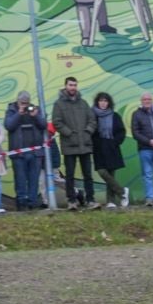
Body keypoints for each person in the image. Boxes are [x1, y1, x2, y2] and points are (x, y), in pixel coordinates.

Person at [52, 77, 97, 208]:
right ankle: (72, 201)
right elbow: (57, 122)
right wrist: (69, 133)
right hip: (69, 145)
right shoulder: (59, 104)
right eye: (71, 85)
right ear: (65, 86)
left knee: (88, 175)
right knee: (70, 175)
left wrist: (88, 131)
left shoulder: (83, 103)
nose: (73, 87)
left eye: (75, 85)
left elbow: (92, 120)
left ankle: (90, 200)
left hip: (85, 145)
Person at [4, 93, 48, 209]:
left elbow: (44, 125)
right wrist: (19, 113)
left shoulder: (34, 109)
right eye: (22, 103)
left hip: (35, 152)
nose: (24, 105)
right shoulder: (11, 110)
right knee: (20, 180)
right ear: (17, 101)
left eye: (26, 103)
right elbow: (8, 125)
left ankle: (32, 202)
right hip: (18, 153)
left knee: (34, 179)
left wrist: (36, 116)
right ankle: (21, 202)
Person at [90, 92, 128, 206]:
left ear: (109, 103)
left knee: (111, 174)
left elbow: (121, 131)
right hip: (98, 147)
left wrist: (114, 142)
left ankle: (111, 201)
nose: (103, 103)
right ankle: (122, 192)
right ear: (97, 102)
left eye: (105, 101)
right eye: (101, 100)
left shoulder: (115, 116)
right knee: (102, 171)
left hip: (111, 147)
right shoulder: (92, 115)